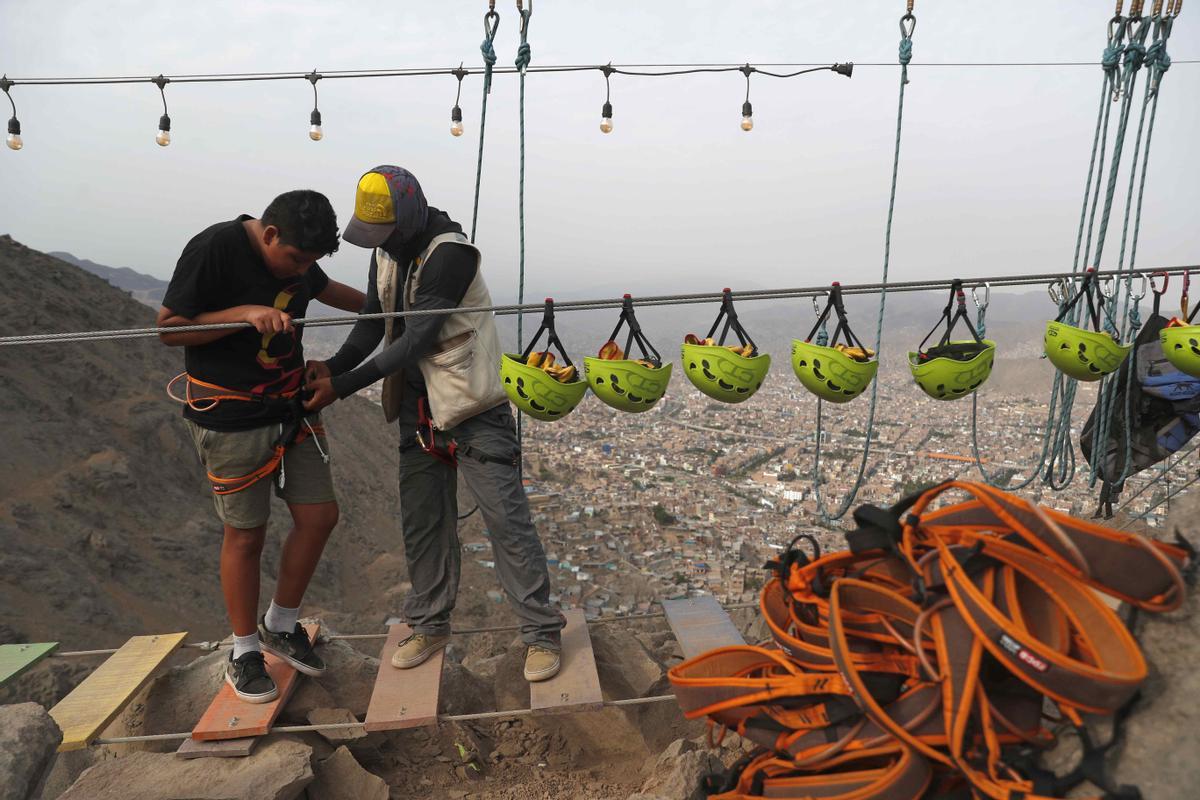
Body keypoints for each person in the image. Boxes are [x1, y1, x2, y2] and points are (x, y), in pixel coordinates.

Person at [303, 166, 565, 682]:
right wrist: (331, 368)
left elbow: (415, 339)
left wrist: (342, 386)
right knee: (424, 522)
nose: (384, 244)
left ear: (411, 215)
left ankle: (540, 633)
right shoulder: (387, 251)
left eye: (388, 234)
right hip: (416, 409)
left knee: (507, 523)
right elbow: (373, 325)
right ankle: (429, 623)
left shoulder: (450, 255)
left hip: (472, 405)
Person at [157, 190, 365, 702]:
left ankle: (281, 623)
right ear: (270, 234)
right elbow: (168, 329)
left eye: (310, 261)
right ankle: (244, 650)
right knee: (246, 535)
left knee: (319, 516)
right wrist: (244, 313)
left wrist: (395, 310)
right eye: (296, 258)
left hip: (291, 405)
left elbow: (326, 289)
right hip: (230, 412)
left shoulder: (298, 258)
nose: (302, 269)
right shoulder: (215, 248)